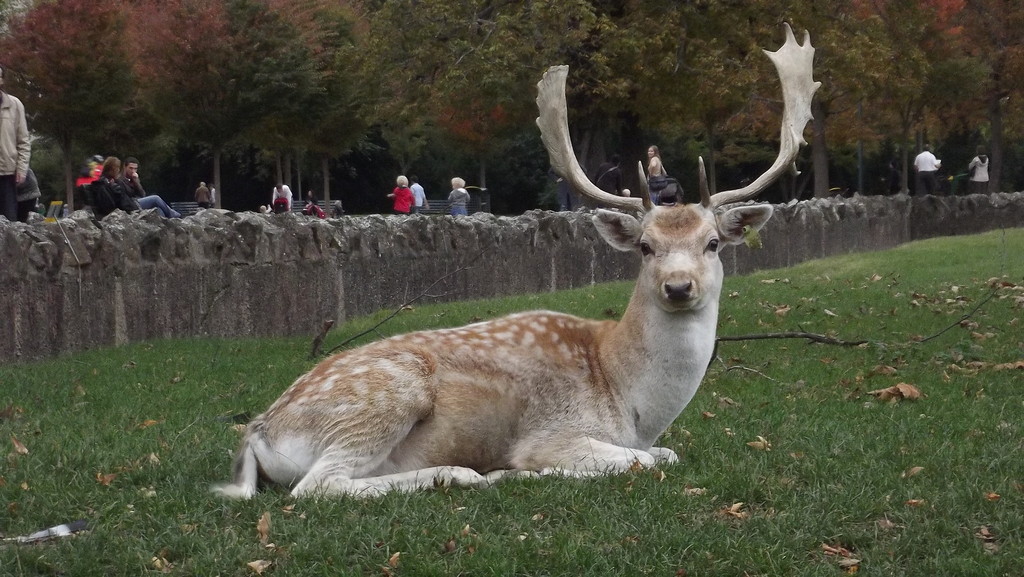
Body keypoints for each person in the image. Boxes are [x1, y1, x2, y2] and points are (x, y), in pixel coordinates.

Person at [0, 64, 31, 222]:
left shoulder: (15, 105)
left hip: (7, 174)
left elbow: (24, 141)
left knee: (9, 223)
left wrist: (22, 169)